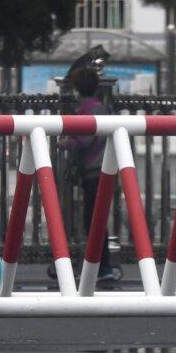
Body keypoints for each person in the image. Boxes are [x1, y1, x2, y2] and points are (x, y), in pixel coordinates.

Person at [62, 67, 122, 284]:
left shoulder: (89, 109)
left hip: (94, 171)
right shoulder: (99, 107)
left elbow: (86, 139)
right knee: (96, 219)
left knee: (93, 221)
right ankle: (98, 265)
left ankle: (101, 266)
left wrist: (66, 142)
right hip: (101, 170)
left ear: (78, 88)